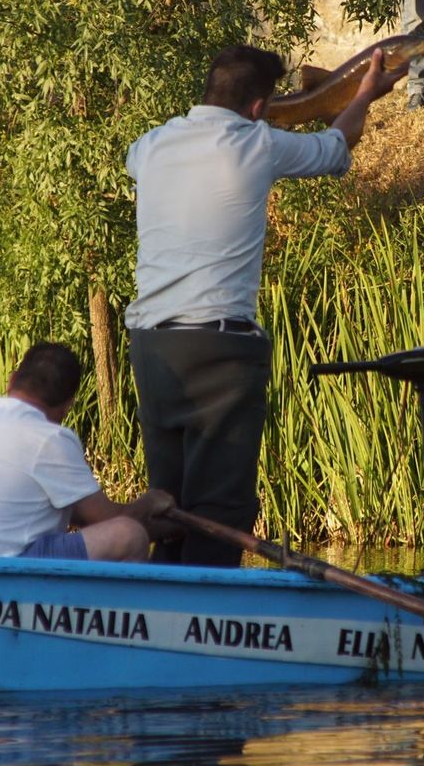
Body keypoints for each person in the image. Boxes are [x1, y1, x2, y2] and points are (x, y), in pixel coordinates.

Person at [124, 43, 401, 566]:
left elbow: (137, 159)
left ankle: (164, 620)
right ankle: (208, 625)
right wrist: (365, 92)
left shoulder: (151, 146)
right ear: (257, 107)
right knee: (220, 510)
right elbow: (336, 147)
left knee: (168, 506)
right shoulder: (256, 143)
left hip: (152, 347)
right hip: (219, 349)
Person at [0, 343, 175, 561]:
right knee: (127, 535)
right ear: (67, 405)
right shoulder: (48, 439)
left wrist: (171, 530)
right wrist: (150, 503)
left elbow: (82, 517)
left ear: (12, 381)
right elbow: (111, 520)